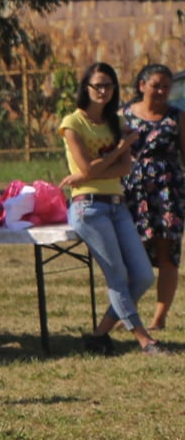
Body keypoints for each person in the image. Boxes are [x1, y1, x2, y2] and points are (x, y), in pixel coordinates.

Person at [61, 61, 159, 354]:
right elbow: (88, 166)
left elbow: (125, 168)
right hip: (88, 208)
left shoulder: (116, 123)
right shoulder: (72, 123)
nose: (102, 91)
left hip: (117, 205)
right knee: (117, 276)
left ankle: (99, 335)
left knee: (142, 276)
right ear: (86, 88)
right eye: (97, 85)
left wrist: (87, 173)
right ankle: (144, 339)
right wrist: (113, 154)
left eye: (108, 85)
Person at [122, 63, 181, 332]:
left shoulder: (177, 117)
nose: (161, 91)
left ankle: (159, 318)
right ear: (142, 85)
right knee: (130, 254)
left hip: (168, 191)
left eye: (166, 86)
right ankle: (124, 314)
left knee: (166, 253)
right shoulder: (122, 115)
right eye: (156, 84)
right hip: (132, 190)